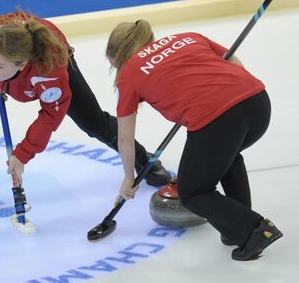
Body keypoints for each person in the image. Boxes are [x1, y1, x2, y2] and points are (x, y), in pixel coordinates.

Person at [0, 11, 171, 222]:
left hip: (51, 58)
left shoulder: (51, 73)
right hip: (1, 50)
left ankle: (143, 159)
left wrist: (22, 154)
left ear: (23, 65)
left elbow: (50, 117)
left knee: (92, 122)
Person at [105, 20, 283, 261]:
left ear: (122, 56)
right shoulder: (188, 37)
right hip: (257, 103)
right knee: (227, 158)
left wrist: (129, 179)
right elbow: (235, 64)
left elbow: (125, 137)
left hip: (219, 119)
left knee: (192, 190)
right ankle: (237, 228)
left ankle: (254, 230)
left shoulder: (130, 73)